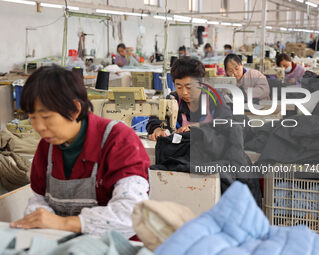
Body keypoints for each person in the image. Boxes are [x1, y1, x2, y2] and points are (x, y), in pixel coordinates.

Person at [10, 65, 150, 238]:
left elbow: (132, 214)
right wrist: (40, 217)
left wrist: (62, 223)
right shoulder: (47, 147)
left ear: (75, 109)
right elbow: (39, 199)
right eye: (32, 118)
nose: (39, 127)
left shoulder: (119, 140)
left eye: (46, 117)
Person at [146, 57, 231, 141]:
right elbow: (154, 119)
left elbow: (227, 121)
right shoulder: (173, 99)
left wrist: (196, 127)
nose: (184, 92)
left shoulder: (214, 98)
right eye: (179, 87)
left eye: (189, 87)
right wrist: (157, 129)